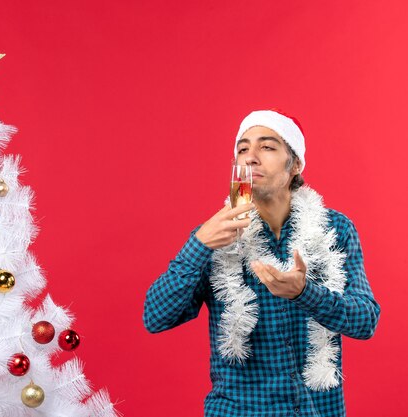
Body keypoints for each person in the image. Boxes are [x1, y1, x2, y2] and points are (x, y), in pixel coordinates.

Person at [143, 109, 380, 417]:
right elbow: (155, 317)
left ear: (295, 164)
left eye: (267, 147)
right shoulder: (214, 236)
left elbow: (366, 322)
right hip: (238, 410)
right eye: (242, 149)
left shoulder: (335, 229)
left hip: (317, 410)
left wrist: (304, 293)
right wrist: (198, 245)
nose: (251, 157)